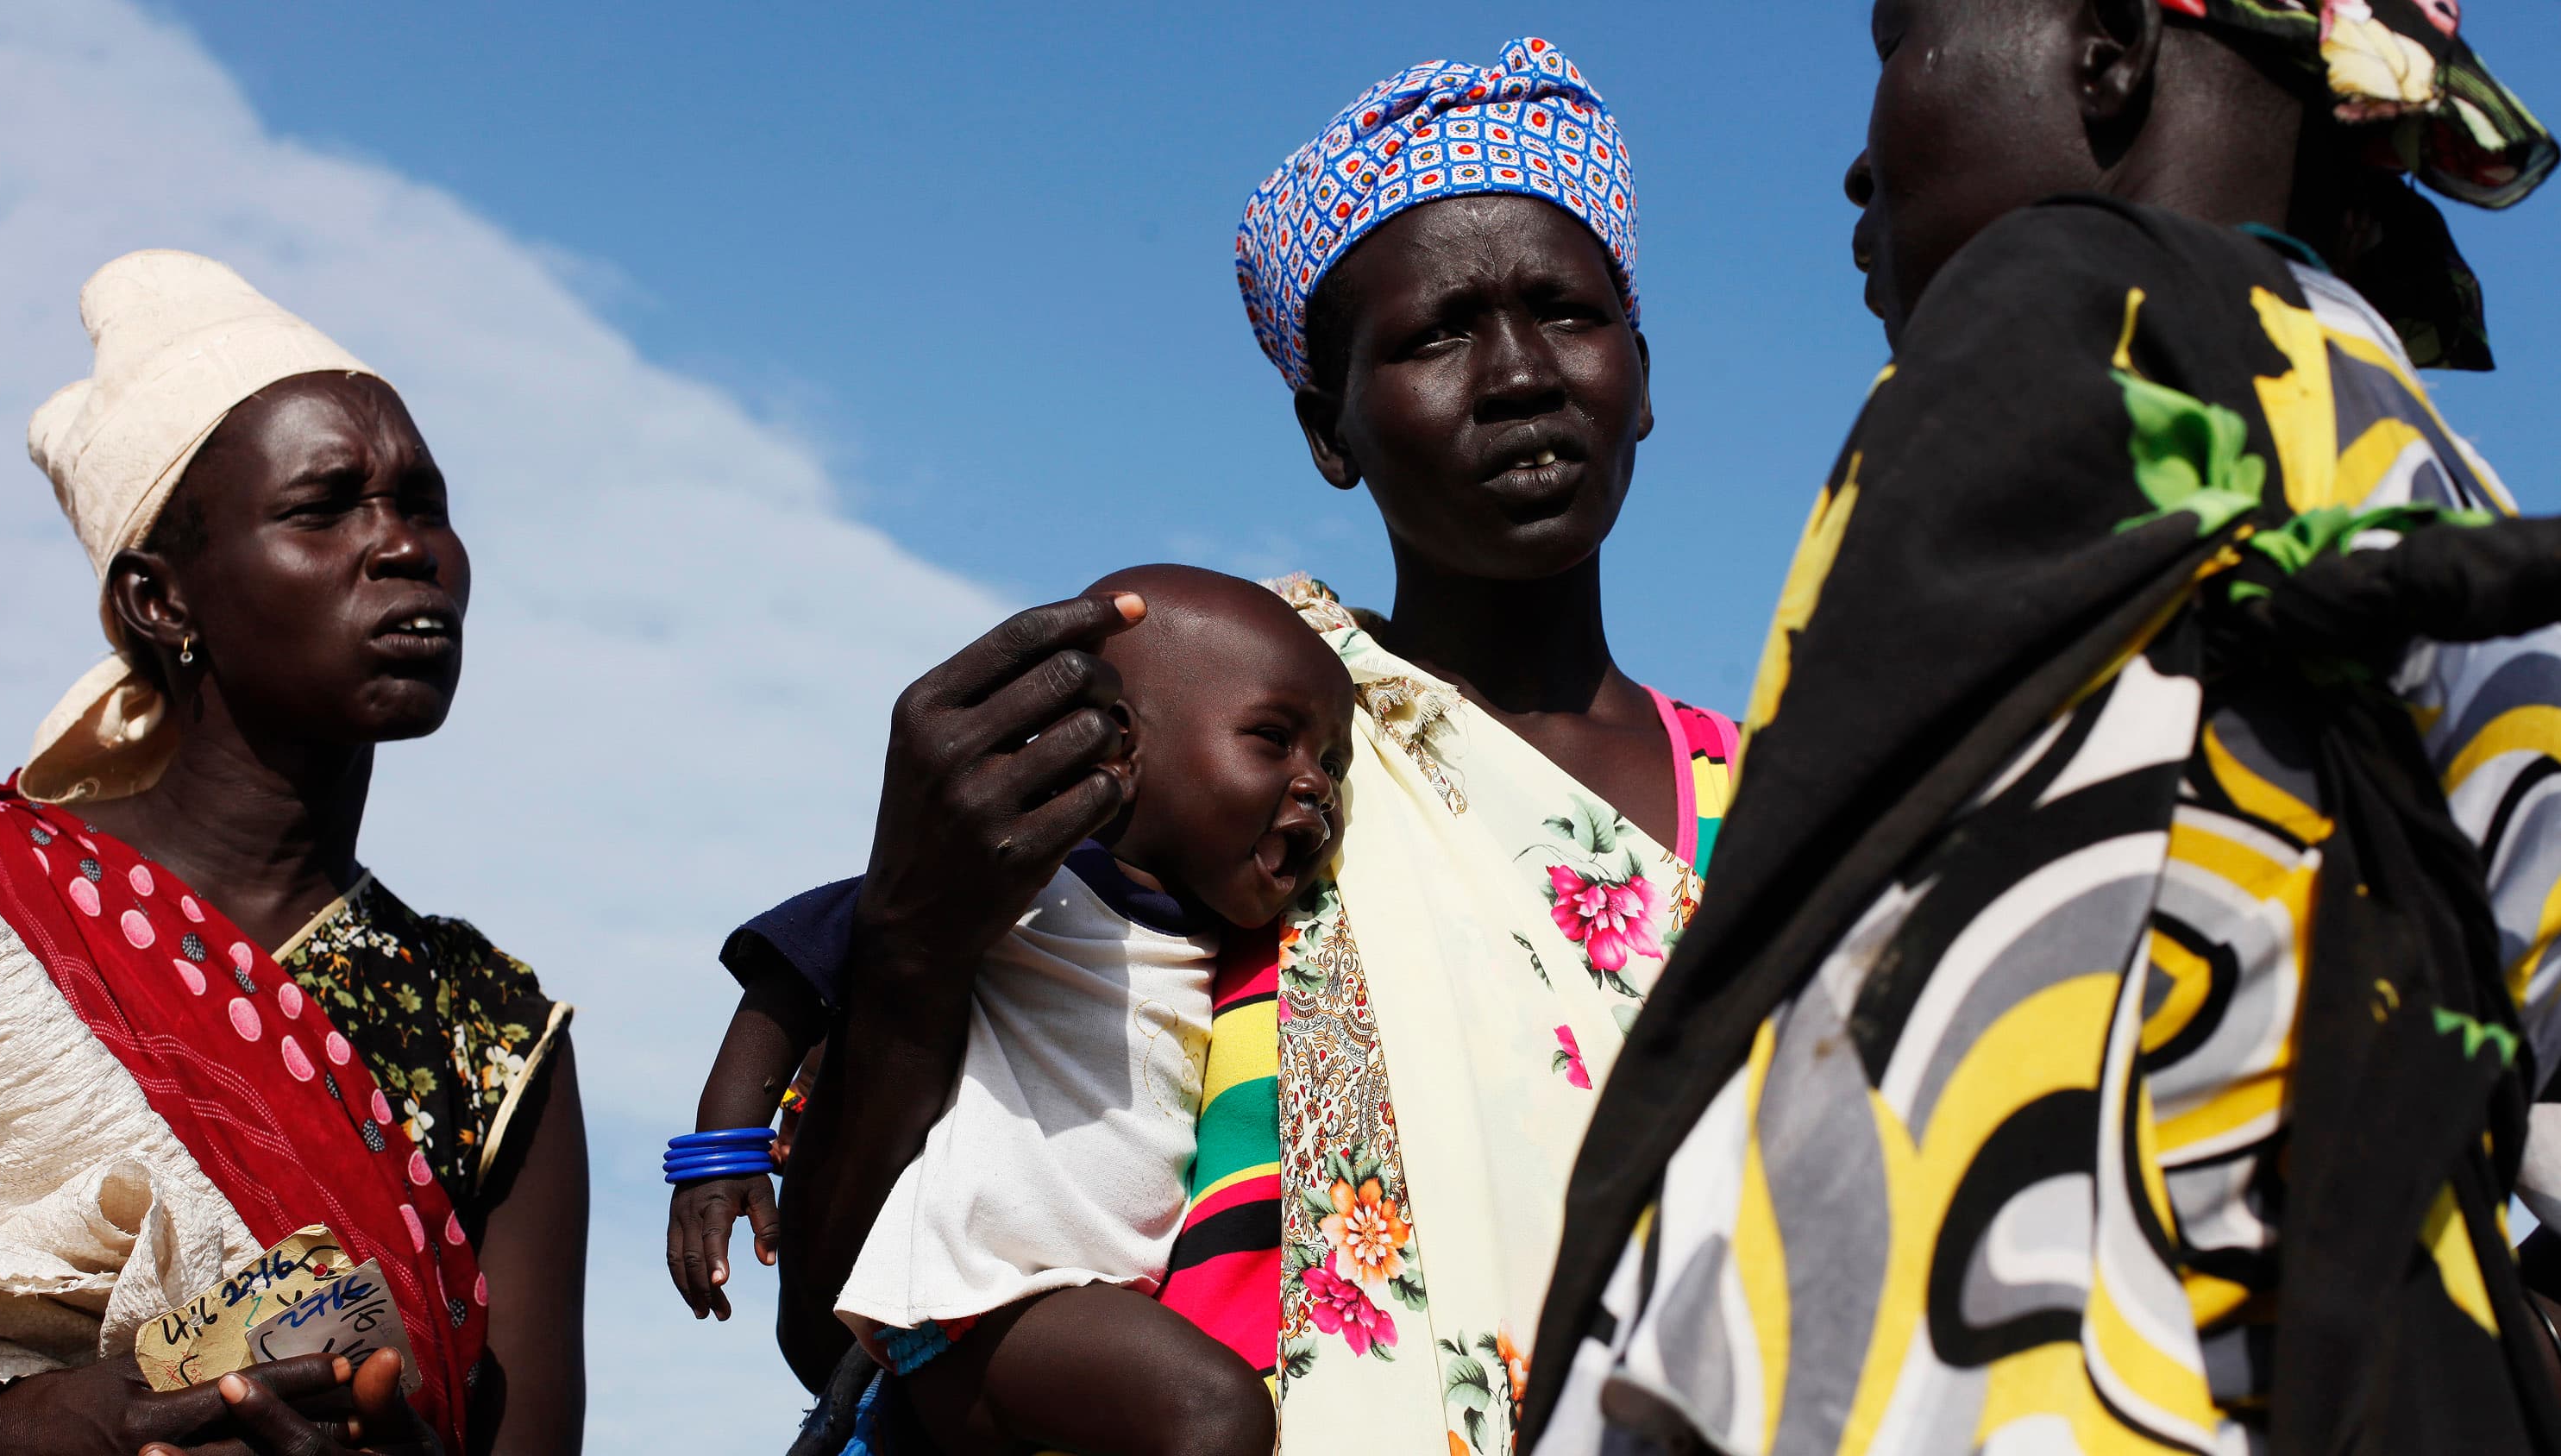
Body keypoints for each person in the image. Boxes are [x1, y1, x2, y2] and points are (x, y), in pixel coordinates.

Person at [1528, 3, 2561, 1452]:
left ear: (2110, 51)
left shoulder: (2060, 304)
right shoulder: (2433, 462)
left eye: (1897, 48)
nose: (1852, 163)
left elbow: (1790, 948)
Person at [769, 38, 1738, 1456]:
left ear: (1641, 375)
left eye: (1565, 312)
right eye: (1436, 333)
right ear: (1326, 431)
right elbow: (854, 1316)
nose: (1520, 370)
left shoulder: (1789, 800)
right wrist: (911, 940)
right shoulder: (1205, 747)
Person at [0, 251, 587, 1456]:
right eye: (325, 508)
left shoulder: (487, 1030)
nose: (406, 547)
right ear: (162, 600)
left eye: (425, 504)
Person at [672, 565, 1343, 1455]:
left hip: (1071, 1302)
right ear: (1118, 748)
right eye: (1272, 740)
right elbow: (802, 959)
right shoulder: (1028, 881)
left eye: (1331, 762)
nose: (1315, 786)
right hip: (978, 1298)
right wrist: (719, 1156)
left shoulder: (1246, 951)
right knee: (1214, 1414)